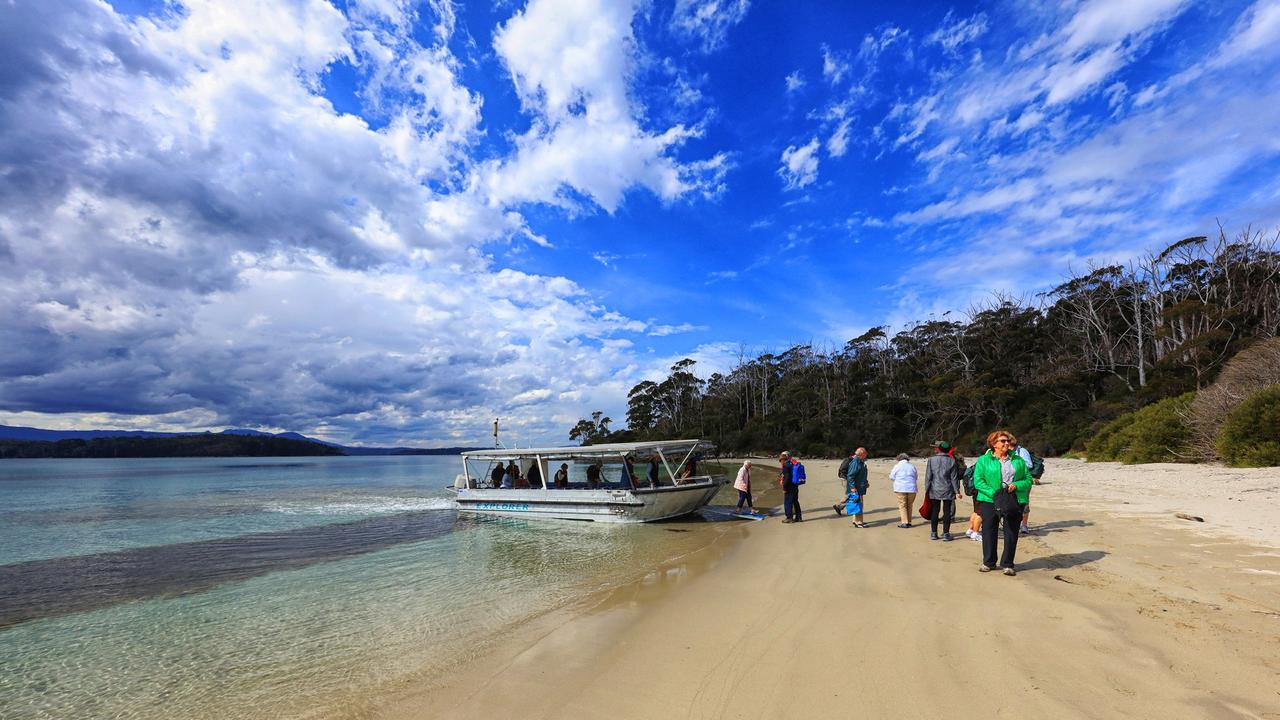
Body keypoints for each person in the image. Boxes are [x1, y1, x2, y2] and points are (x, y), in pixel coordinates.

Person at [973, 430, 1033, 576]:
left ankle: (1008, 564)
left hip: (1014, 499)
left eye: (1007, 441)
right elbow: (978, 481)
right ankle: (989, 562)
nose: (1007, 443)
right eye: (1002, 441)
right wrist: (994, 493)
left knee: (1012, 531)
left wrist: (1017, 485)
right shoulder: (983, 460)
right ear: (993, 444)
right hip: (990, 500)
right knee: (989, 530)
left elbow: (1028, 479)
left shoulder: (1018, 460)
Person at [923, 441, 962, 541]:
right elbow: (954, 478)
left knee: (935, 510)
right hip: (948, 488)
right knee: (947, 511)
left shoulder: (931, 460)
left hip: (934, 488)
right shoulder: (952, 461)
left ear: (938, 449)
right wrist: (957, 491)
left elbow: (928, 476)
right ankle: (946, 534)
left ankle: (934, 533)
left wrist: (926, 489)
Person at [1009, 436, 1041, 534]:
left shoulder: (1022, 451)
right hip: (1010, 481)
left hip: (1023, 481)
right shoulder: (1006, 452)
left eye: (1006, 441)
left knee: (1024, 502)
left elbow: (1029, 464)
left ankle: (1024, 525)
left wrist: (1016, 464)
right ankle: (1013, 524)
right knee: (1010, 502)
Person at [843, 447, 870, 527]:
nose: (866, 454)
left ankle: (855, 521)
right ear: (861, 454)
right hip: (856, 488)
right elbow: (850, 476)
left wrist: (866, 482)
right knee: (859, 504)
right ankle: (859, 522)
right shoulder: (856, 463)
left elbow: (860, 475)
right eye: (865, 453)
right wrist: (852, 487)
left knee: (857, 503)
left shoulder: (860, 462)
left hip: (860, 486)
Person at [890, 453, 918, 528]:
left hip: (900, 487)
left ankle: (904, 522)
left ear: (899, 459)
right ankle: (908, 521)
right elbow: (916, 477)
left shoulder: (897, 466)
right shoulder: (912, 466)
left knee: (902, 505)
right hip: (912, 488)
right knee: (909, 505)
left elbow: (892, 476)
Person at [779, 452, 803, 523]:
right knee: (795, 502)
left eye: (780, 460)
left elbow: (787, 477)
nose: (780, 462)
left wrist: (784, 488)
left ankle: (789, 518)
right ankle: (799, 517)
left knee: (787, 502)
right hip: (795, 486)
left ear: (783, 460)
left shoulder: (786, 466)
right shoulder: (792, 464)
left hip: (789, 487)